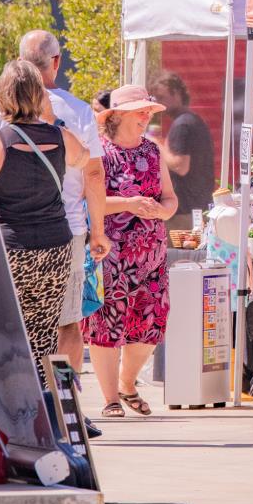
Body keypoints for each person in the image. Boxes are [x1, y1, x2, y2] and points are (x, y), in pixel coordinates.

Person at [0, 60, 109, 378]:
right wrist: (49, 118)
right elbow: (86, 163)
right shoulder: (61, 138)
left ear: (3, 97)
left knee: (11, 330)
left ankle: (19, 402)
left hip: (13, 251)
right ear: (39, 95)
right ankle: (50, 406)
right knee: (47, 332)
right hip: (56, 248)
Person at [86, 84, 177, 416]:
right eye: (141, 111)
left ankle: (127, 383)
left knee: (152, 324)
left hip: (150, 254)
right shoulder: (99, 152)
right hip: (110, 252)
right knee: (106, 324)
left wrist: (165, 211)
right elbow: (89, 200)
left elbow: (169, 197)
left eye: (148, 112)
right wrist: (129, 203)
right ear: (119, 115)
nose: (146, 117)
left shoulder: (152, 151)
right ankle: (111, 398)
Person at [148, 72, 214, 230]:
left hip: (183, 211)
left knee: (178, 255)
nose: (159, 103)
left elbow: (180, 166)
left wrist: (155, 144)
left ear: (177, 94)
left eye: (162, 97)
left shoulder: (182, 124)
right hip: (195, 206)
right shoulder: (192, 120)